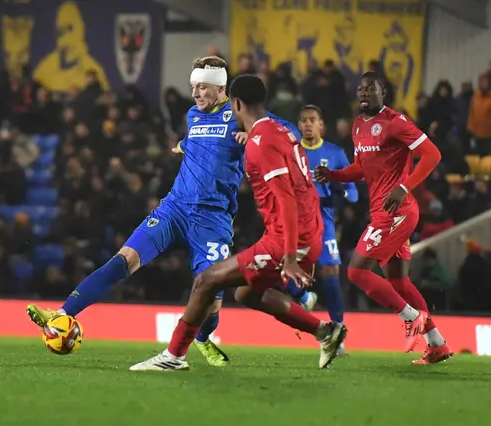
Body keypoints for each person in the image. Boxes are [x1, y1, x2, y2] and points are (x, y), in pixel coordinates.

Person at [26, 56, 248, 367]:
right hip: (175, 207)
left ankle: (201, 337)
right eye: (193, 87)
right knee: (124, 258)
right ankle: (63, 312)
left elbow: (280, 131)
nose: (196, 93)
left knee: (211, 298)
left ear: (221, 88)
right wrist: (185, 145)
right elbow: (202, 142)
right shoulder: (193, 115)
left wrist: (253, 138)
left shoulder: (239, 115)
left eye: (202, 87)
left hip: (213, 217)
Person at [130, 74, 347, 372]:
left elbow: (285, 198)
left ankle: (174, 355)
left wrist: (290, 256)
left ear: (236, 103)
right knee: (246, 292)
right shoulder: (279, 131)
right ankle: (326, 332)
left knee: (206, 280)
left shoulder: (261, 142)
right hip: (307, 230)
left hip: (286, 238)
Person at [315, 72, 452, 364]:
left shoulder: (396, 122)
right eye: (360, 89)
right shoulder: (358, 125)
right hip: (381, 211)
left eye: (370, 89)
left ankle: (411, 317)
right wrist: (334, 176)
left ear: (383, 92)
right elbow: (362, 168)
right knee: (399, 282)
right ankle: (437, 343)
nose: (363, 93)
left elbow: (432, 155)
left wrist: (404, 187)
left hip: (397, 212)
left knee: (356, 271)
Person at [284, 105, 358, 356]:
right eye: (303, 121)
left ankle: (338, 333)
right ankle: (303, 296)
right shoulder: (292, 152)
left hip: (322, 220)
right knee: (281, 269)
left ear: (321, 125)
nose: (307, 125)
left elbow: (353, 193)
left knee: (331, 271)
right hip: (293, 220)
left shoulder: (335, 154)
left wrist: (340, 187)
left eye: (312, 120)